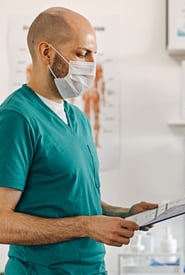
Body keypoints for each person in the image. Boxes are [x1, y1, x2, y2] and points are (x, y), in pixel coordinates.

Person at [0, 7, 157, 274]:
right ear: (46, 52)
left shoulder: (77, 118)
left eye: (94, 54)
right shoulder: (17, 118)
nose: (91, 64)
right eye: (82, 53)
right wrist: (85, 226)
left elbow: (73, 200)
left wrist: (123, 214)